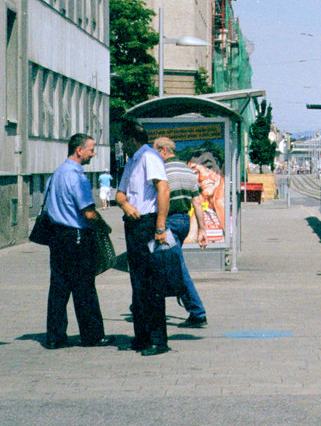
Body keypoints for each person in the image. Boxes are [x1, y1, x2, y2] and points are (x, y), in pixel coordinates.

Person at [43, 133, 112, 349]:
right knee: (84, 287)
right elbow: (89, 213)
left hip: (57, 235)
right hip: (76, 236)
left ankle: (55, 336)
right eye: (91, 149)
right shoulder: (77, 177)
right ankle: (92, 335)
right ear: (79, 150)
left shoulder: (56, 174)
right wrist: (105, 228)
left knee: (58, 287)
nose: (94, 154)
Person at [115, 120, 172, 356]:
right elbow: (120, 193)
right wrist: (125, 204)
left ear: (131, 140)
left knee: (151, 284)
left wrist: (160, 227)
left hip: (148, 223)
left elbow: (163, 189)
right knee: (137, 282)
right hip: (134, 224)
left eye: (122, 140)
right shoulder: (132, 161)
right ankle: (142, 337)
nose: (120, 145)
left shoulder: (149, 157)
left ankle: (159, 340)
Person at [154, 136, 209, 328]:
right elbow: (197, 202)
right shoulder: (187, 169)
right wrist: (202, 229)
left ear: (163, 151)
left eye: (155, 151)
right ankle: (142, 303)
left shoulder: (161, 170)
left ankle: (197, 312)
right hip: (184, 221)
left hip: (167, 222)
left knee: (177, 267)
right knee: (163, 263)